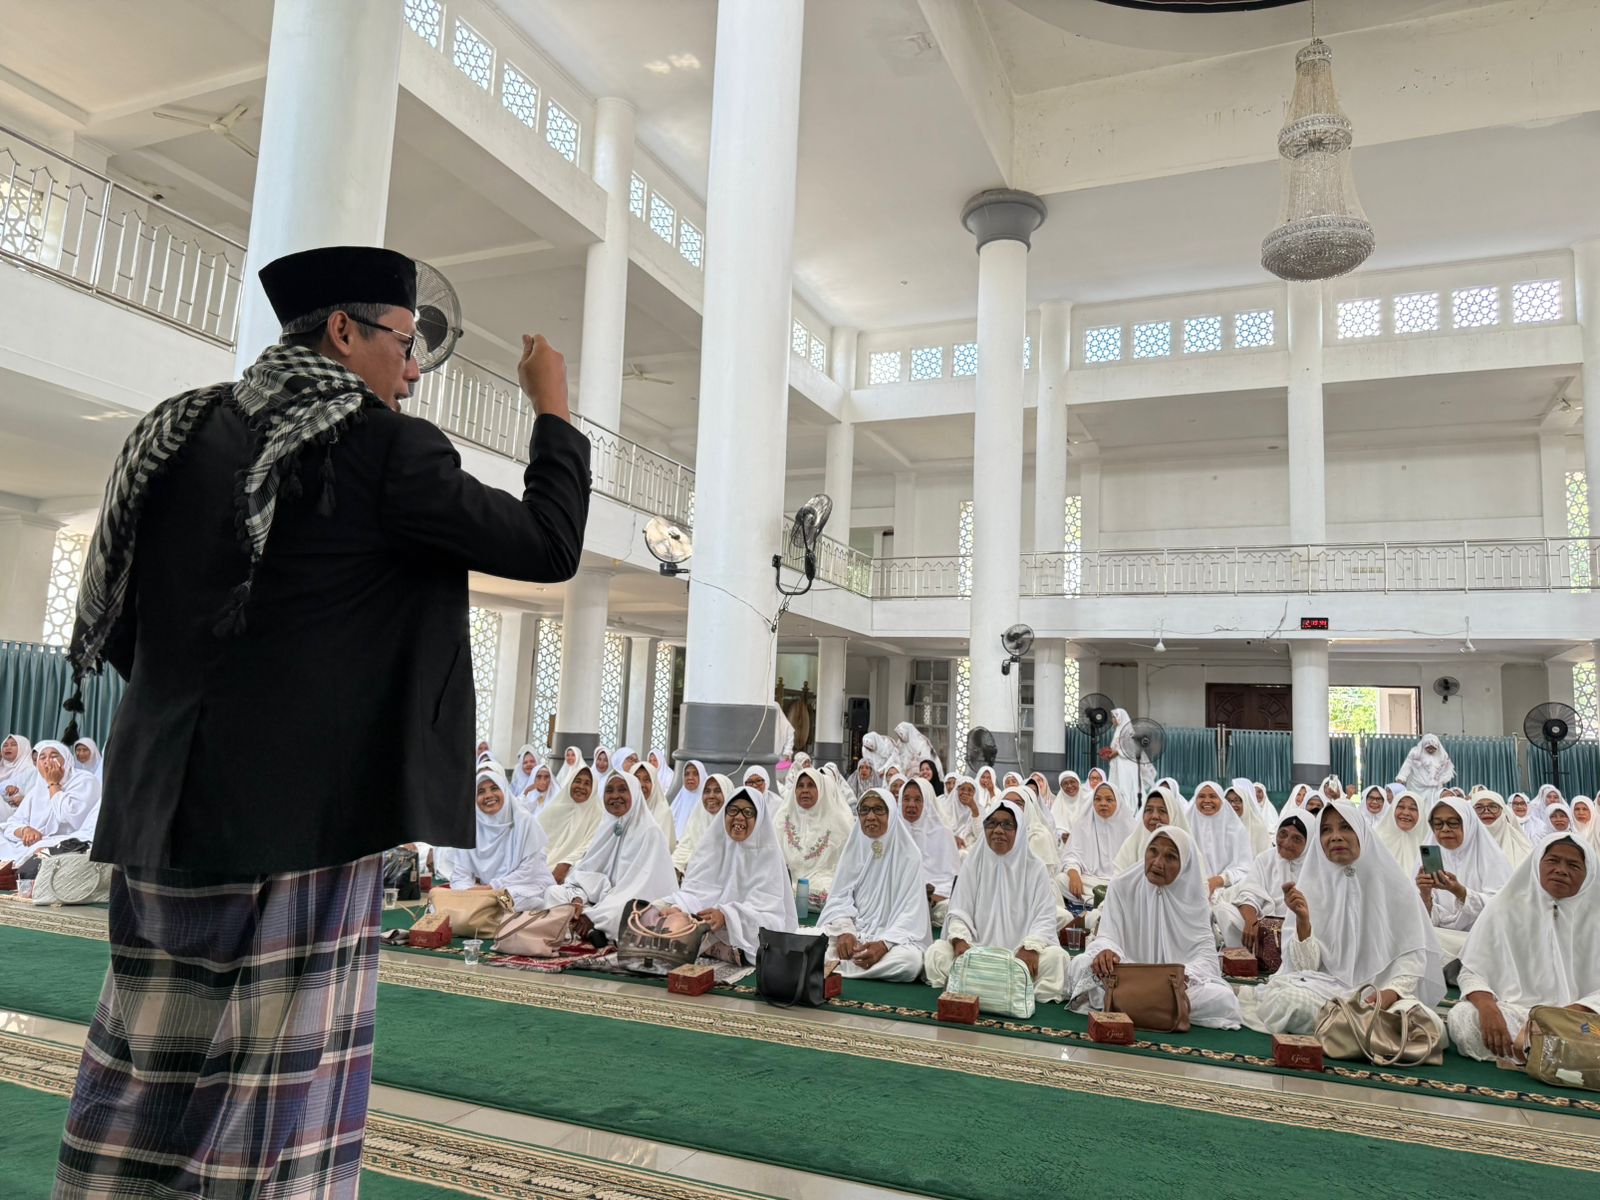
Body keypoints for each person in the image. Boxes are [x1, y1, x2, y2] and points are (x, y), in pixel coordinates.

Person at [52, 247, 591, 1198]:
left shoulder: (177, 429)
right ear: (343, 331)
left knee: (147, 1067)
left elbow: (130, 622)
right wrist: (552, 409)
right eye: (403, 341)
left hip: (161, 805)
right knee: (271, 1102)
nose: (413, 368)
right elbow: (547, 544)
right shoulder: (380, 447)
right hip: (296, 828)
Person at [1258, 800, 1445, 1036]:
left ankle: (1345, 1027)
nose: (1335, 836)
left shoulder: (1396, 886)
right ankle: (1361, 1029)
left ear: (1361, 833)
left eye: (1345, 827)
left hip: (1381, 994)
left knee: (1427, 1024)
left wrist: (1388, 994)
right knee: (1287, 1002)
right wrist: (1303, 922)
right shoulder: (1311, 887)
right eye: (1326, 830)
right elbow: (1305, 968)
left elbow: (1413, 954)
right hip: (1324, 989)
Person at [1067, 826, 1243, 1029]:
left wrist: (1181, 977)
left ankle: (1126, 1003)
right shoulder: (1122, 885)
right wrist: (1107, 952)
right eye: (1153, 851)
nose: (1158, 863)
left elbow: (1206, 957)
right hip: (1127, 974)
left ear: (1185, 864)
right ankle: (1158, 1007)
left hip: (1174, 985)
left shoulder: (1195, 897)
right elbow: (1107, 936)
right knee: (1080, 965)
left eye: (1170, 857)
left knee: (1223, 999)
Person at [1448, 833, 1598, 1062]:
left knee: (1589, 1031)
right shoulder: (1504, 906)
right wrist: (1488, 1008)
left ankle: (1534, 1050)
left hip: (1576, 1019)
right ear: (1537, 863)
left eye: (1573, 865)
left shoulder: (1596, 915)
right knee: (1463, 1017)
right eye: (1553, 861)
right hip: (1516, 1013)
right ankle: (1545, 1054)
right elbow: (1471, 971)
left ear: (1589, 874)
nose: (1561, 870)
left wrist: (1557, 1019)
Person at [923, 797, 1069, 1002]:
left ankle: (973, 986)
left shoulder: (1035, 868)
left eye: (1007, 825)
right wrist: (960, 940)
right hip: (976, 952)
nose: (998, 830)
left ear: (1019, 831)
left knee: (1057, 959)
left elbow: (1044, 917)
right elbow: (958, 911)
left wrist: (1030, 948)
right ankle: (1010, 988)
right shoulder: (973, 863)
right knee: (937, 953)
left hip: (1018, 956)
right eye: (992, 823)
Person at [658, 786, 796, 964]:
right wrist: (680, 907)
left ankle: (715, 947)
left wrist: (727, 916)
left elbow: (769, 912)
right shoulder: (711, 846)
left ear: (758, 818)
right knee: (666, 915)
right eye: (733, 810)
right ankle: (714, 947)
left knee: (768, 932)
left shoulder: (768, 855)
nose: (739, 817)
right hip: (706, 924)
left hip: (744, 925)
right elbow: (694, 891)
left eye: (748, 812)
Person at [817, 788, 931, 981]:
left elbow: (911, 913)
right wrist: (845, 931)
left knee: (910, 962)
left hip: (891, 940)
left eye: (878, 809)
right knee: (810, 940)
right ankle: (856, 963)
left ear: (891, 814)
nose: (870, 816)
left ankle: (839, 966)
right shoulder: (853, 849)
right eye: (864, 810)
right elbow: (838, 898)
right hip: (854, 935)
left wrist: (884, 944)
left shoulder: (910, 856)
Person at [545, 772, 676, 941]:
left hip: (630, 901)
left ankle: (582, 924)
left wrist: (596, 911)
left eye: (622, 790)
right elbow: (586, 872)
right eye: (609, 790)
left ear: (634, 794)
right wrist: (578, 897)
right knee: (554, 893)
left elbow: (640, 888)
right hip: (599, 898)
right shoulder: (606, 827)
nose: (615, 796)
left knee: (618, 913)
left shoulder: (650, 832)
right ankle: (588, 926)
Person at [436, 766, 555, 911]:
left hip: (524, 887)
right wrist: (467, 892)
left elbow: (528, 872)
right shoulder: (470, 828)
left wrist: (490, 888)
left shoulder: (524, 821)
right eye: (481, 792)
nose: (488, 795)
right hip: (486, 893)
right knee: (443, 903)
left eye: (494, 788)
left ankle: (486, 909)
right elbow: (460, 875)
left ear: (504, 790)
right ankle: (486, 909)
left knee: (514, 900)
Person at [1415, 795, 1512, 960]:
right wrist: (1425, 896)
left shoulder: (1491, 858)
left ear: (1468, 823)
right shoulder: (1424, 860)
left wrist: (1460, 892)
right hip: (1440, 940)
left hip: (1482, 941)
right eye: (1438, 824)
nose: (1445, 829)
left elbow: (1504, 909)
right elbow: (1418, 919)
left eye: (1453, 822)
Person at [1222, 807, 1310, 951]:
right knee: (1224, 910)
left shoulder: (1315, 867)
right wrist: (1251, 921)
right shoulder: (1265, 859)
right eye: (1283, 834)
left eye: (1296, 839)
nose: (1287, 843)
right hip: (1264, 926)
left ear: (1309, 843)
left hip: (1302, 928)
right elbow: (1250, 893)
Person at [776, 765, 854, 898]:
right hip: (786, 882)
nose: (805, 790)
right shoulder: (782, 818)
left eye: (811, 785)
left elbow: (847, 866)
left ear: (821, 789)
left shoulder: (838, 821)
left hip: (823, 882)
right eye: (800, 786)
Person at [1063, 781, 1137, 907]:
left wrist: (1120, 881)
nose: (1103, 803)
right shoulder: (1082, 824)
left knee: (1133, 887)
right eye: (1097, 799)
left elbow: (1137, 865)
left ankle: (1098, 900)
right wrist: (1074, 874)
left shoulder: (1130, 827)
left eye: (1109, 800)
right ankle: (1107, 902)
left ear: (1118, 802)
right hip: (1090, 880)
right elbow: (1072, 856)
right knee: (1061, 880)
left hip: (1118, 882)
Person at [901, 777, 962, 925]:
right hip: (898, 894)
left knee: (946, 909)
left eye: (918, 800)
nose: (911, 805)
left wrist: (933, 896)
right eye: (906, 799)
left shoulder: (942, 832)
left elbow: (950, 879)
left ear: (927, 802)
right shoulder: (893, 831)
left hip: (935, 895)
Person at [1187, 781, 1254, 898]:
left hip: (1229, 889)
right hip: (1191, 888)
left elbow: (1245, 868)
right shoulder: (1186, 826)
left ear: (1222, 801)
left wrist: (1219, 880)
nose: (1207, 800)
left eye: (1213, 796)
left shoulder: (1236, 829)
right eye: (1201, 796)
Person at [538, 765, 602, 882]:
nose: (581, 787)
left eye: (587, 784)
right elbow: (535, 840)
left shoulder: (597, 814)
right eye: (577, 781)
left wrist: (566, 863)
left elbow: (590, 845)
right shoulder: (554, 807)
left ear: (593, 789)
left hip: (573, 866)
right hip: (541, 863)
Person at [1109, 783, 1191, 874]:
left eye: (1162, 811)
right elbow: (1118, 876)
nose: (1154, 816)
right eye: (1149, 810)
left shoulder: (1186, 847)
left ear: (1173, 815)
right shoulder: (1133, 842)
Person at [673, 772, 731, 873]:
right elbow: (683, 850)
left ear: (728, 794)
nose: (711, 796)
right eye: (707, 791)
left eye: (718, 791)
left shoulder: (735, 828)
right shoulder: (696, 820)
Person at [1471, 789, 1533, 867]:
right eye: (1479, 807)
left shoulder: (1524, 849)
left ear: (1503, 811)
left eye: (1493, 807)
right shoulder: (1463, 845)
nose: (1486, 811)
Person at [1103, 708, 1152, 802]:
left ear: (1120, 718)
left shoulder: (1128, 731)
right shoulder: (1118, 730)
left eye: (1114, 717)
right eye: (1112, 717)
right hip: (1117, 764)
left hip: (1125, 765)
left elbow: (1131, 748)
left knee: (1125, 786)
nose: (1112, 719)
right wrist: (1108, 753)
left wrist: (1117, 752)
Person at [1397, 734, 1454, 809]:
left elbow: (1447, 769)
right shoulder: (1415, 752)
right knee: (1417, 806)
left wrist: (1442, 778)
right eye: (1428, 748)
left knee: (1433, 806)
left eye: (1433, 748)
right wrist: (1401, 778)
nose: (1430, 750)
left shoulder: (1442, 755)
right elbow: (1407, 766)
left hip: (1434, 788)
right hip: (1417, 786)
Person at [1374, 789, 1426, 867]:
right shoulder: (1376, 840)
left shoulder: (1428, 842)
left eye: (1413, 809)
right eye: (1401, 807)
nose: (1406, 813)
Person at [668, 760, 707, 836]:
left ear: (702, 776)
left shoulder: (706, 803)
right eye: (687, 774)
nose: (690, 777)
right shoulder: (679, 800)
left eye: (695, 774)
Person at [1, 733, 39, 809]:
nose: (8, 748)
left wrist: (24, 800)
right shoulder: (1, 765)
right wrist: (7, 788)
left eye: (13, 745)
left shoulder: (32, 769)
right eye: (5, 745)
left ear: (23, 748)